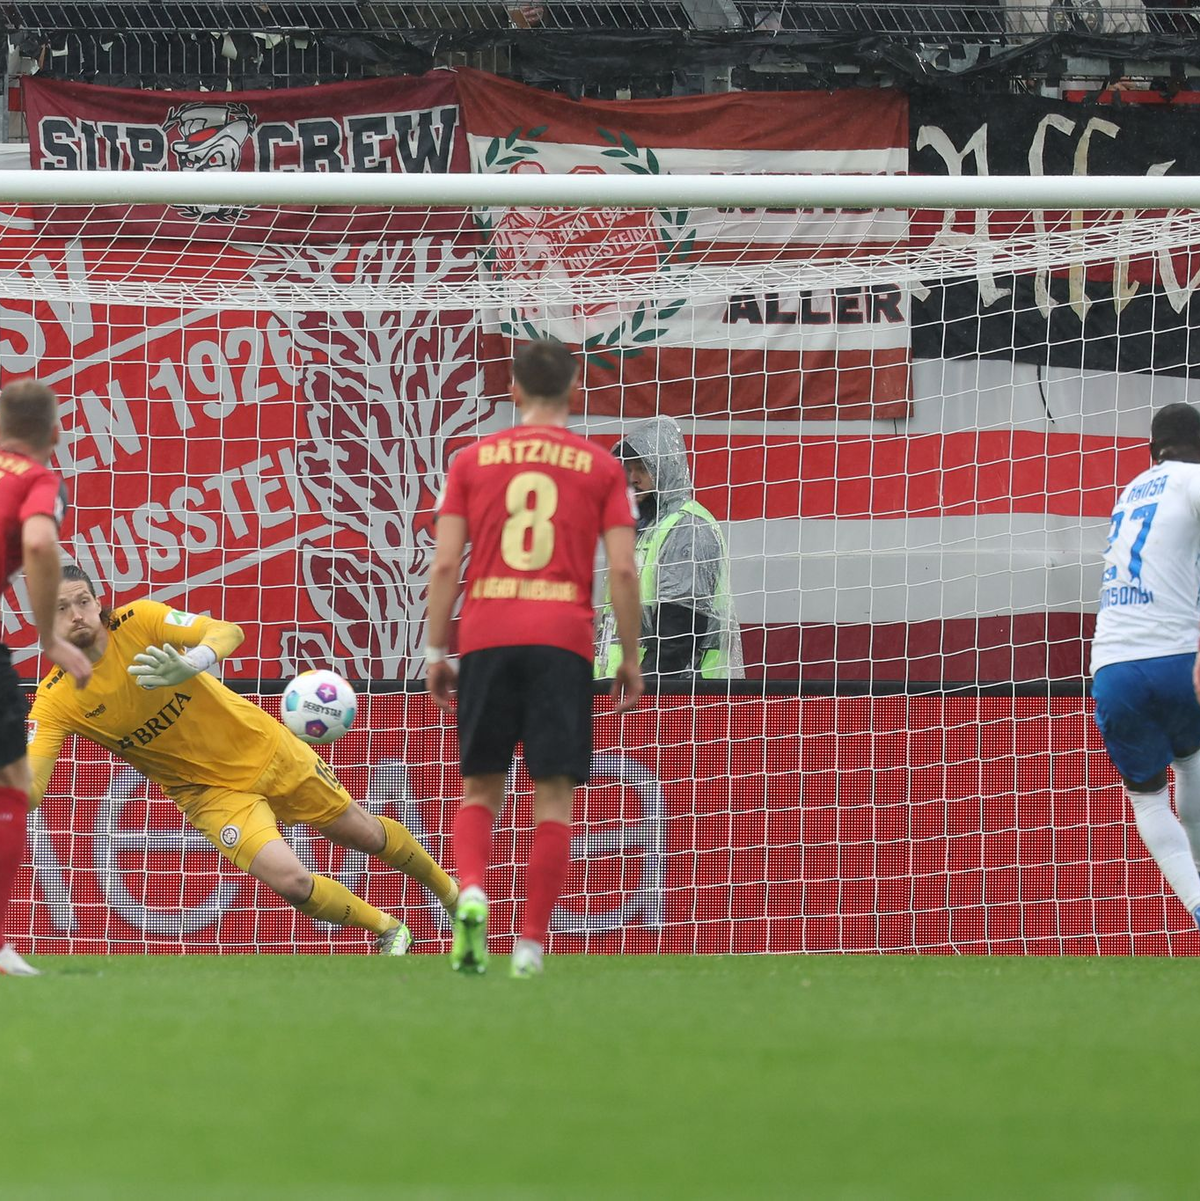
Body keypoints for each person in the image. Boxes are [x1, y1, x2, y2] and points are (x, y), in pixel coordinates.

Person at [27, 566, 458, 953]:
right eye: (62, 608)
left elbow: (227, 631)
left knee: (362, 833)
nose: (77, 614)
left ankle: (451, 896)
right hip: (207, 793)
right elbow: (32, 787)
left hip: (262, 747)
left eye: (83, 601)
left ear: (99, 601)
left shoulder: (139, 620)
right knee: (292, 882)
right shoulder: (54, 699)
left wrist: (191, 662)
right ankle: (389, 930)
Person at [426, 339, 643, 978]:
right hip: (563, 640)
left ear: (514, 392)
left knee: (480, 787)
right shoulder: (602, 468)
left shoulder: (472, 460)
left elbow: (444, 565)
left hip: (488, 635)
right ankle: (529, 946)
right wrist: (629, 655)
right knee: (553, 797)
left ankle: (470, 892)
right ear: (576, 393)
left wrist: (439, 649)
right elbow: (624, 571)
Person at [1091, 402, 1200, 932]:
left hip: (1112, 665)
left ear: (1151, 450)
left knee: (1148, 797)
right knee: (1193, 763)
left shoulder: (1129, 492)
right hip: (1178, 655)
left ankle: (1197, 903)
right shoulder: (1194, 480)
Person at [0, 380, 92, 978]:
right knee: (13, 776)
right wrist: (48, 636)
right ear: (55, 435)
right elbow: (37, 540)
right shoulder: (36, 479)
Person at [594, 414, 744, 682]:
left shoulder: (687, 528)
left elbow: (678, 635)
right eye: (627, 466)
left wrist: (644, 693)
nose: (633, 477)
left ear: (666, 468)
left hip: (679, 697)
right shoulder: (644, 529)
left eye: (643, 467)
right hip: (633, 692)